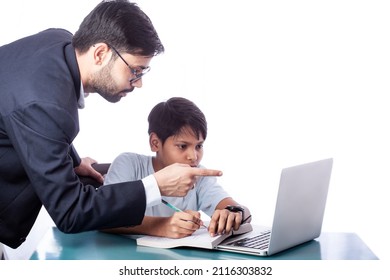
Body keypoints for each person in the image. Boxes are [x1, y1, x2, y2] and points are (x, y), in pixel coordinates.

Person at [0, 0, 221, 249]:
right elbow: (70, 213)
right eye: (136, 71)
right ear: (100, 53)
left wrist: (70, 160)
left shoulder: (59, 42)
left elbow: (25, 118)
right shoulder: (45, 104)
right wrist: (155, 185)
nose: (138, 83)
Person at [103, 97, 251, 238]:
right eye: (182, 146)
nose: (193, 156)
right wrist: (161, 226)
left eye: (199, 146)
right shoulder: (129, 164)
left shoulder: (198, 176)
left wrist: (233, 213)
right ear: (155, 143)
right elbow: (105, 217)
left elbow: (236, 208)